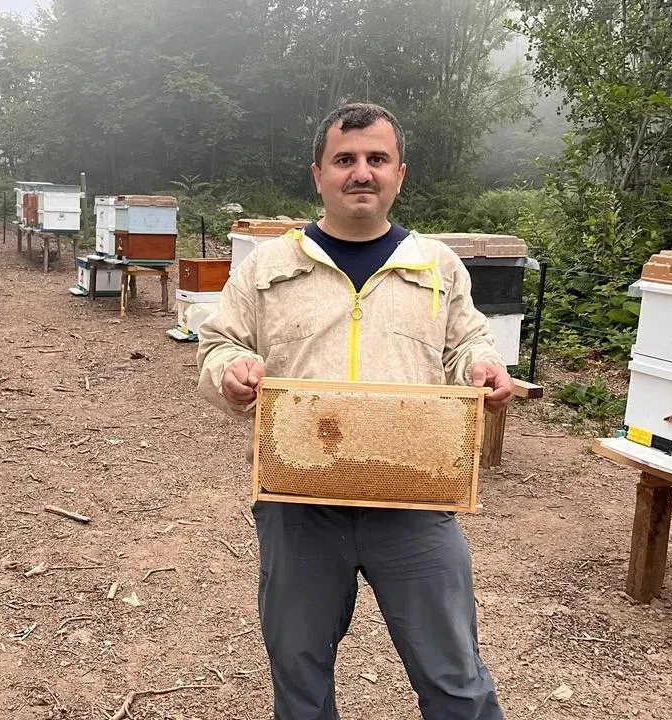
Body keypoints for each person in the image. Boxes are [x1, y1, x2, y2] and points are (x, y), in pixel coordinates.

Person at [196, 102, 512, 720]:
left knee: (455, 675)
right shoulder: (268, 265)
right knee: (299, 671)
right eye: (345, 160)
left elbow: (467, 343)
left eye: (376, 159)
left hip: (415, 497)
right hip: (298, 500)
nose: (360, 172)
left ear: (399, 173)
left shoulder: (437, 264)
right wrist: (228, 373)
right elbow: (218, 344)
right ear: (318, 174)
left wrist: (481, 364)